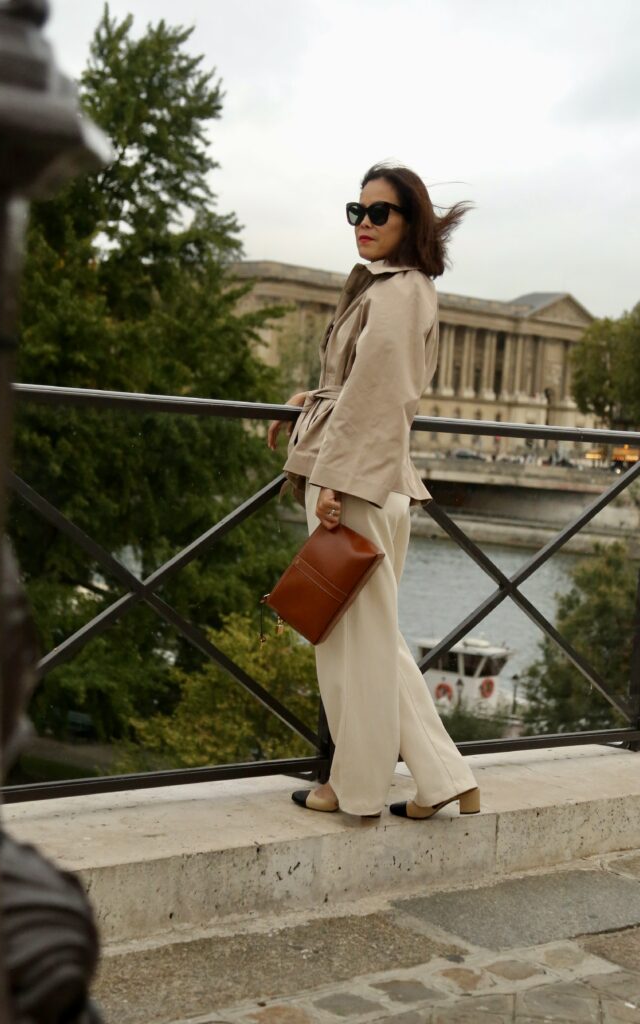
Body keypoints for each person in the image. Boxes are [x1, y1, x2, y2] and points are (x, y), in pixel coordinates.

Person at [267, 163, 479, 821]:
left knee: (349, 650)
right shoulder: (401, 289)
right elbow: (360, 382)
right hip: (374, 477)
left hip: (355, 481)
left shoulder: (396, 292)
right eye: (355, 211)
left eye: (378, 212)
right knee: (373, 642)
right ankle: (444, 778)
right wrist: (310, 399)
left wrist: (331, 479)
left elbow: (377, 395)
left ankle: (353, 790)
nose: (363, 223)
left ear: (410, 222)